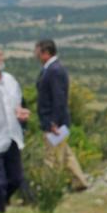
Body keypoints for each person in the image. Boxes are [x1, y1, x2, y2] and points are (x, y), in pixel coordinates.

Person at [34, 39, 89, 190]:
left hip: (54, 124)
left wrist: (53, 122)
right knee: (65, 154)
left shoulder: (54, 70)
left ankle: (50, 188)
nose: (35, 54)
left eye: (37, 51)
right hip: (55, 122)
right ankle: (80, 182)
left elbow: (59, 98)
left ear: (45, 52)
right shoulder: (51, 69)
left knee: (52, 157)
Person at [0, 44, 30, 213]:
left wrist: (22, 115)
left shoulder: (10, 80)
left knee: (15, 179)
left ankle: (1, 203)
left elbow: (19, 105)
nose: (1, 59)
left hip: (13, 137)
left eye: (1, 55)